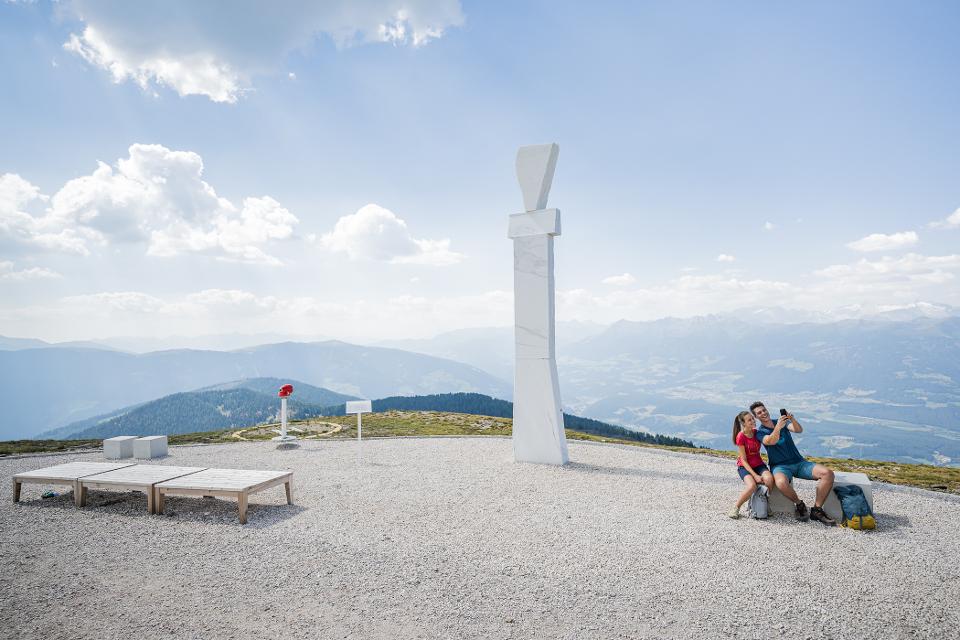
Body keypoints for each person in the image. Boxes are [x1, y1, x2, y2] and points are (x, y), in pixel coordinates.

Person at [749, 401, 837, 525]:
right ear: (756, 417)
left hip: (799, 462)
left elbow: (798, 430)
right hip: (780, 466)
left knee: (827, 473)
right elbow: (770, 441)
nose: (763, 413)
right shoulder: (760, 432)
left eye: (764, 410)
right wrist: (778, 427)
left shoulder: (780, 422)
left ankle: (817, 510)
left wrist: (792, 420)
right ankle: (799, 504)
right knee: (780, 483)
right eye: (759, 412)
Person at [729, 410, 774, 519]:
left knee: (769, 479)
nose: (753, 421)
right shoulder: (740, 436)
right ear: (743, 423)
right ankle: (736, 508)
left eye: (752, 418)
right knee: (752, 486)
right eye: (749, 420)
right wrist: (755, 476)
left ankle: (764, 502)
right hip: (744, 466)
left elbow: (769, 440)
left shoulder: (756, 432)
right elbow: (743, 460)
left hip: (758, 464)